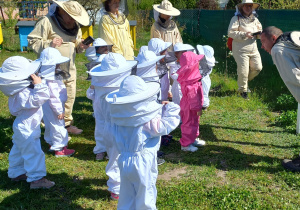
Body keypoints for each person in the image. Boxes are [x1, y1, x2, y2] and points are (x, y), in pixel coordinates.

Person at [105, 75, 180, 209]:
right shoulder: (146, 121)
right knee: (146, 195)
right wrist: (171, 107)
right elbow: (166, 125)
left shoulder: (118, 119)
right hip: (142, 162)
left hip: (123, 160)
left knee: (127, 194)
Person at [27, 0, 90, 134]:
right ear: (61, 11)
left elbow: (75, 43)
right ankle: (51, 125)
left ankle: (66, 124)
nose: (72, 20)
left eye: (75, 17)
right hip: (50, 70)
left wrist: (81, 46)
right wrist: (50, 43)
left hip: (70, 68)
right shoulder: (46, 21)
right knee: (52, 97)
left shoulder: (75, 25)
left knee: (69, 96)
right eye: (70, 16)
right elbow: (33, 41)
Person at [0, 56, 54, 189]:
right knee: (33, 153)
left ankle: (16, 173)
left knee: (18, 150)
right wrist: (39, 85)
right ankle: (37, 180)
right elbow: (41, 98)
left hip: (22, 126)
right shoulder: (22, 92)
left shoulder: (17, 91)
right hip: (28, 128)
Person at [89, 53, 137, 199]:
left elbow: (91, 96)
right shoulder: (118, 92)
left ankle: (121, 183)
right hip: (121, 127)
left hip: (109, 129)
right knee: (117, 158)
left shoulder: (101, 88)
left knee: (115, 157)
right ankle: (116, 189)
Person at [260, 26, 300, 172]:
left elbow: (294, 78)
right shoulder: (292, 39)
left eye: (263, 41)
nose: (262, 46)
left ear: (274, 38)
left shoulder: (278, 49)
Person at [38, 47, 75, 157]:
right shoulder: (51, 81)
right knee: (58, 127)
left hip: (47, 108)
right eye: (56, 64)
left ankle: (51, 143)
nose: (59, 66)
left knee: (49, 125)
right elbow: (54, 97)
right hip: (55, 108)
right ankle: (60, 149)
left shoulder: (43, 77)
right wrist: (59, 111)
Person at [228, 0, 263, 100]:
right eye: (246, 6)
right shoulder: (236, 18)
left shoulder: (255, 19)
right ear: (241, 8)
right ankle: (242, 91)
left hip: (253, 48)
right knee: (243, 71)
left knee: (258, 68)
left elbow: (259, 30)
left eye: (250, 6)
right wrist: (244, 34)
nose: (248, 8)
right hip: (240, 49)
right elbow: (230, 32)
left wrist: (259, 35)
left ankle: (243, 83)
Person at [85, 38, 111, 160]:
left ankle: (107, 150)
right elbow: (90, 94)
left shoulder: (109, 62)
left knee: (106, 125)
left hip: (105, 102)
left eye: (106, 47)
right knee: (103, 126)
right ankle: (103, 150)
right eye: (102, 48)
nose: (105, 50)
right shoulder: (95, 68)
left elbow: (89, 95)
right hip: (103, 103)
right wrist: (91, 88)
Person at [177, 51, 206, 152]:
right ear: (192, 65)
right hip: (190, 107)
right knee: (189, 124)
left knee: (194, 122)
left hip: (189, 105)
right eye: (196, 62)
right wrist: (198, 108)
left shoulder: (188, 77)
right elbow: (193, 98)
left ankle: (192, 139)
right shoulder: (190, 81)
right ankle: (186, 144)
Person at [196, 45, 216, 110]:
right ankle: (202, 104)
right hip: (205, 79)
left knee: (203, 92)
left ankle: (204, 105)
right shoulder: (209, 61)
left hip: (203, 79)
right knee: (203, 92)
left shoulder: (206, 62)